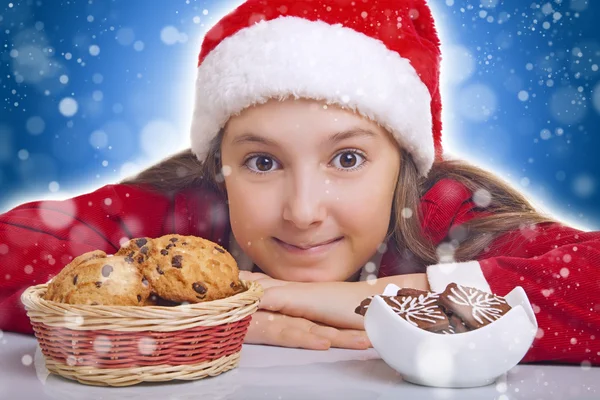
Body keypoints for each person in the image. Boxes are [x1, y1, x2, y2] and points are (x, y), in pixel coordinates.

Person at [0, 0, 598, 364]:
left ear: (405, 169)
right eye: (263, 162)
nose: (304, 211)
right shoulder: (186, 219)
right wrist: (198, 321)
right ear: (218, 169)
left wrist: (325, 301)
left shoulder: (443, 216)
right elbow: (16, 250)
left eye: (347, 160)